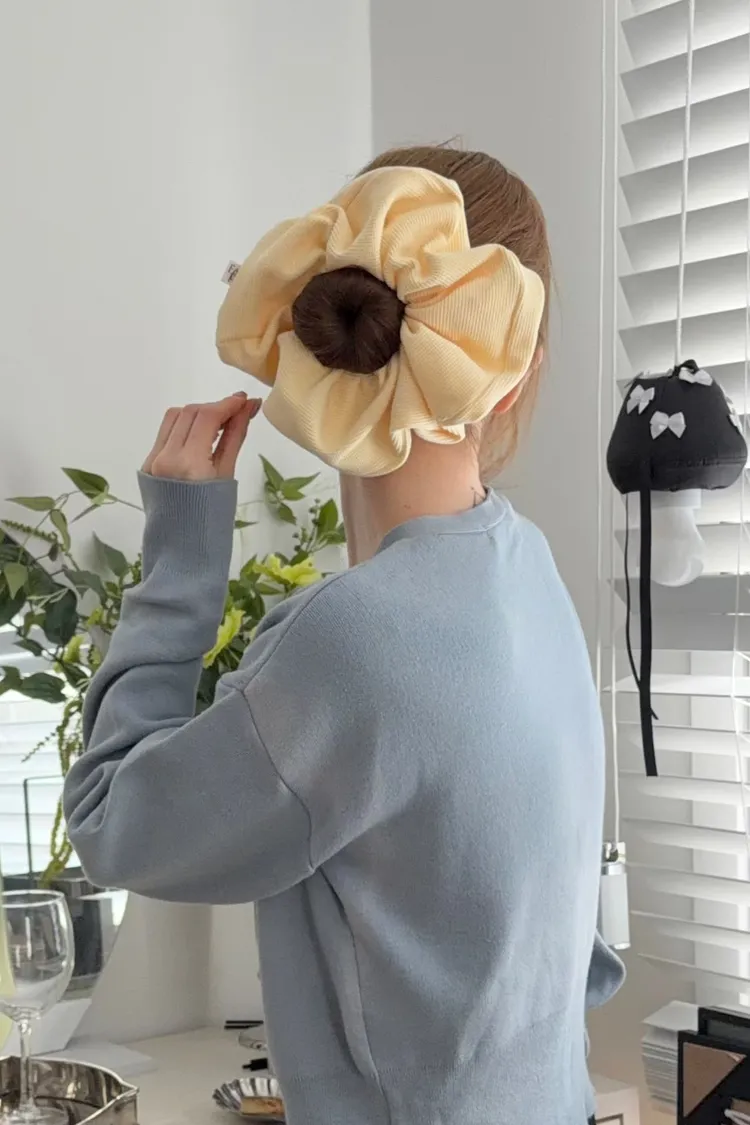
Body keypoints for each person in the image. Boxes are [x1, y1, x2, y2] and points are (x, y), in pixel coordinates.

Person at [63, 146, 624, 1125]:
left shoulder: (354, 642)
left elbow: (112, 820)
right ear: (511, 374)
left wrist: (183, 555)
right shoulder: (528, 574)